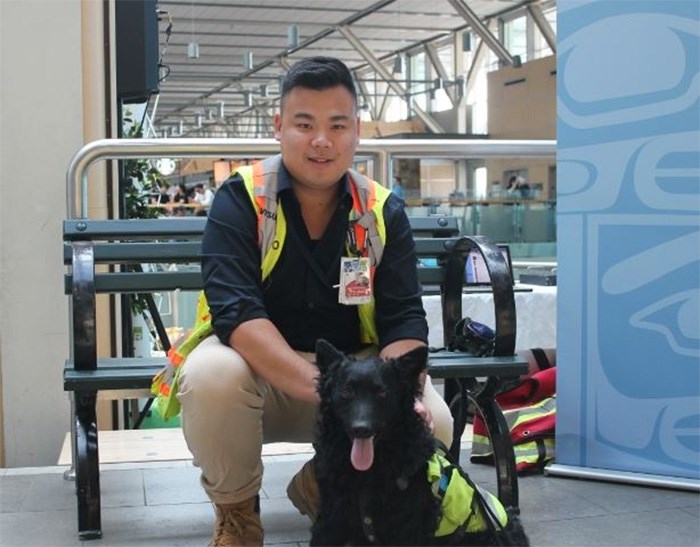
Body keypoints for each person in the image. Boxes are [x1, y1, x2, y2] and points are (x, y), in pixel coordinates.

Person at [171, 56, 453, 546]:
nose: (321, 140)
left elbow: (405, 321)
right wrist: (333, 387)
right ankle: (238, 515)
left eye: (337, 125)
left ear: (357, 131)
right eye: (304, 124)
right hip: (260, 379)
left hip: (355, 384)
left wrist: (401, 394)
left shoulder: (382, 211)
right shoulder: (241, 200)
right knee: (209, 375)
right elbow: (236, 314)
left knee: (439, 424)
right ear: (279, 127)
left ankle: (323, 486)